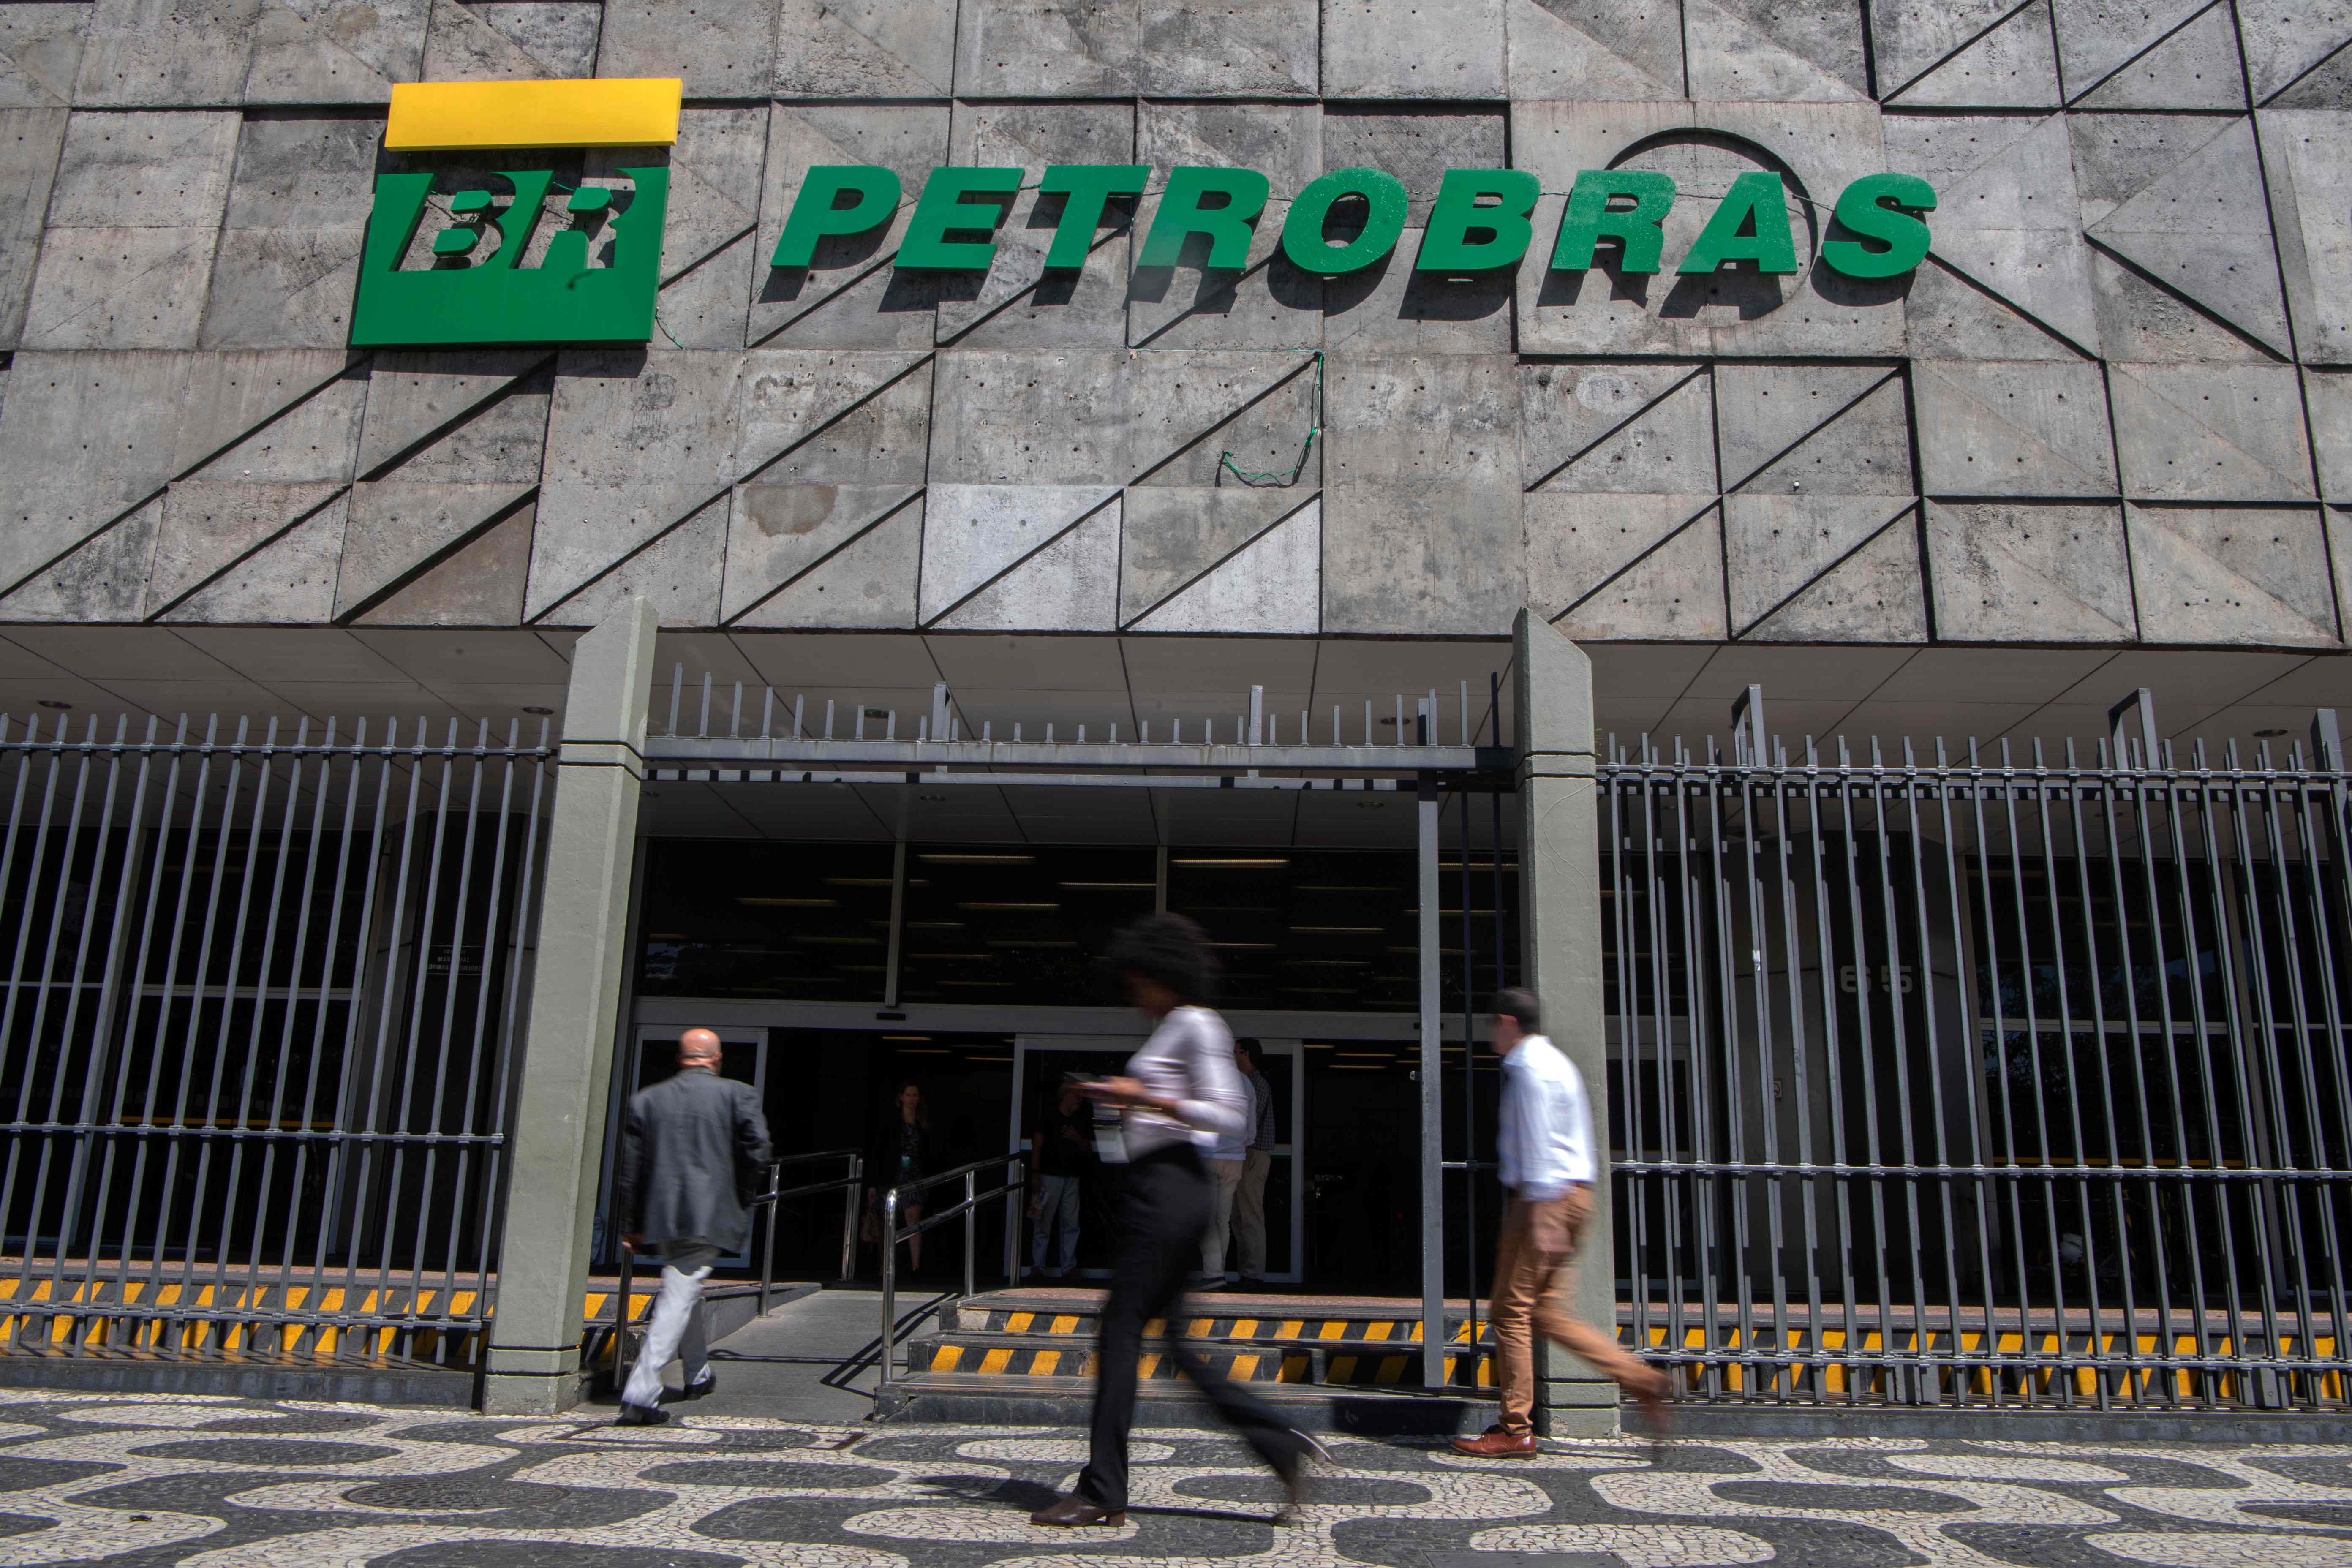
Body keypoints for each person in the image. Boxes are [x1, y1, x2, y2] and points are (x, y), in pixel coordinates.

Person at [1029, 914, 1323, 1527]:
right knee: (1174, 1345)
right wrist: (1118, 1095)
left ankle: (1102, 1490)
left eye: (1139, 980)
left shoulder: (1195, 1022)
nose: (1132, 992)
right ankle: (1280, 1446)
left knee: (1119, 1331)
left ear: (1163, 974)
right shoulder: (1171, 1029)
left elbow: (1229, 1117)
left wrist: (1146, 1098)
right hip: (1160, 1190)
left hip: (1170, 1189)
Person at [1454, 988, 1669, 1457]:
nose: (1492, 1033)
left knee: (1509, 1312)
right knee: (1548, 1312)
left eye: (1495, 1023)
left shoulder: (1530, 1069)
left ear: (1509, 1022)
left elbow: (1538, 1143)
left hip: (1542, 1200)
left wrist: (1544, 1219)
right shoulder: (1557, 1063)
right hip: (1572, 1196)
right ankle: (1641, 1378)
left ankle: (1515, 1429)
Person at [612, 1027, 772, 1426]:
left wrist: (631, 1224)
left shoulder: (647, 1099)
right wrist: (741, 1192)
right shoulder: (738, 1094)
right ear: (716, 1059)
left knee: (683, 1290)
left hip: (663, 1217)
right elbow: (759, 1149)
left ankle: (697, 1373)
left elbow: (629, 1171)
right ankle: (642, 1391)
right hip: (710, 1214)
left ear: (681, 1057)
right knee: (678, 1295)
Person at [1028, 1076, 1091, 1279]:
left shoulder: (1079, 1121)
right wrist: (1036, 1173)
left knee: (1071, 1222)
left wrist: (1076, 1138)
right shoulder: (1049, 1117)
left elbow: (1088, 1149)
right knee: (1043, 1220)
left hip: (1073, 1177)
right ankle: (1038, 1266)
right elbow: (1037, 1146)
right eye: (1076, 1095)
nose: (1080, 1099)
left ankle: (1068, 1267)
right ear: (1066, 1095)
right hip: (1049, 1177)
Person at [865, 1081, 929, 1275]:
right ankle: (885, 1267)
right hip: (891, 1176)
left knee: (913, 1218)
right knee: (887, 1222)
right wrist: (873, 1184)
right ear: (901, 1097)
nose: (912, 1099)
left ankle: (916, 1266)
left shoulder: (922, 1122)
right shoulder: (891, 1121)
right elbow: (878, 1152)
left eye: (915, 1095)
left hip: (914, 1176)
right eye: (908, 1095)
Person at [1199, 1040, 1247, 1290]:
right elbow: (1251, 1129)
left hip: (1209, 1156)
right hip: (1236, 1159)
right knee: (1222, 1220)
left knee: (1207, 1219)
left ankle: (1213, 1274)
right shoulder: (1245, 1082)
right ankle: (1218, 1272)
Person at [1233, 1038, 1276, 1289]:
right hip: (1246, 1155)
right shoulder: (1250, 1083)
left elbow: (1249, 1122)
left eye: (1235, 1052)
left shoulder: (1256, 1084)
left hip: (1253, 1155)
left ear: (1246, 1054)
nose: (1232, 1056)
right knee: (1240, 1216)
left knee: (1250, 1214)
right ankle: (1246, 1273)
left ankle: (1254, 1274)